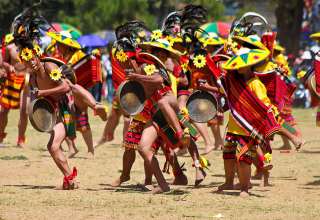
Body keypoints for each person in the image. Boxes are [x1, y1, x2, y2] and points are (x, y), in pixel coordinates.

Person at [0, 34, 29, 147]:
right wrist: (8, 67)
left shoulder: (32, 48)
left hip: (25, 81)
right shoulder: (10, 48)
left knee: (24, 110)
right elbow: (4, 62)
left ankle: (21, 139)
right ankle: (1, 135)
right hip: (11, 80)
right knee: (3, 111)